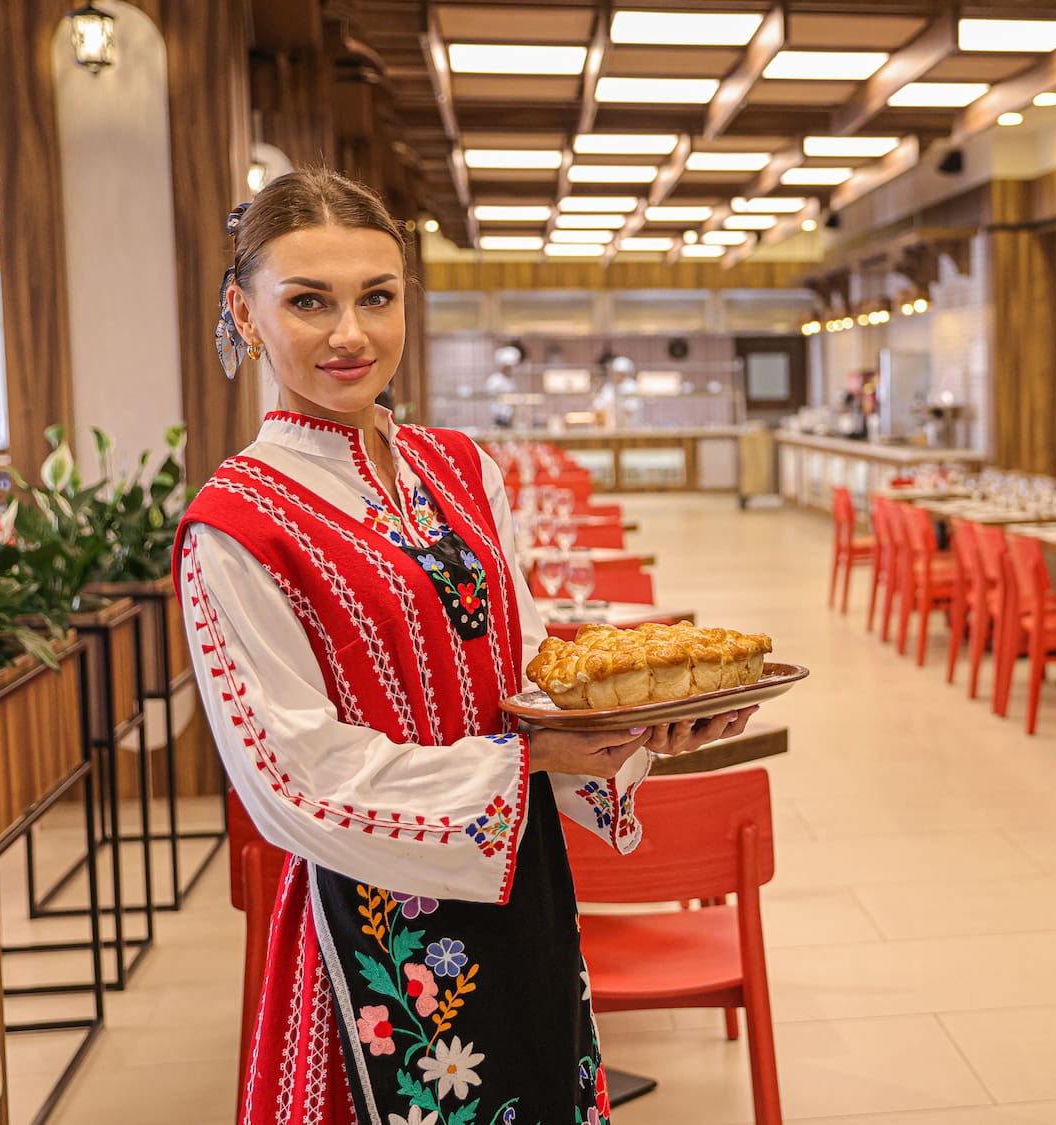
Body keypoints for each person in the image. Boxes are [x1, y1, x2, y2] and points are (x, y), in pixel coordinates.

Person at [175, 169, 754, 1125]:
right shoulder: (237, 524)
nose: (349, 333)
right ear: (246, 310)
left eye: (377, 297)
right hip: (365, 930)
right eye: (308, 301)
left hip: (520, 887)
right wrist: (526, 767)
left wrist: (638, 731)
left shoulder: (460, 468)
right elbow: (289, 778)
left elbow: (527, 680)